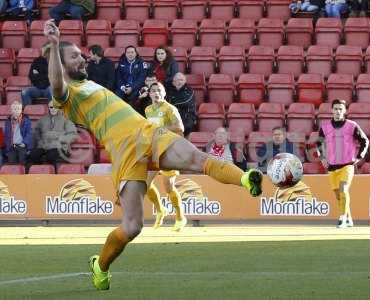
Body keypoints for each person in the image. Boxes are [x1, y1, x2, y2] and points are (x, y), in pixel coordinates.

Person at [44, 20, 263, 291]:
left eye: (80, 53)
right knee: (133, 226)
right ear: (62, 63)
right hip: (126, 151)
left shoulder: (90, 84)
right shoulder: (67, 95)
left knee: (197, 159)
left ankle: (246, 179)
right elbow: (55, 84)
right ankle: (100, 266)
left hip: (149, 132)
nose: (83, 57)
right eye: (75, 55)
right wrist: (54, 45)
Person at [317, 99, 369, 228]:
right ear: (331, 110)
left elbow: (364, 141)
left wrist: (359, 156)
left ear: (345, 111)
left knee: (343, 190)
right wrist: (322, 158)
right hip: (332, 166)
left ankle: (342, 219)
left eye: (340, 109)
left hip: (347, 165)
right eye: (335, 109)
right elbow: (318, 143)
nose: (338, 111)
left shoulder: (352, 125)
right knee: (338, 196)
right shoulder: (325, 127)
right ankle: (349, 218)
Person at [145, 82, 187, 231]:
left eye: (159, 90)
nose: (156, 93)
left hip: (169, 151)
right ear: (149, 94)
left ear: (164, 93)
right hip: (154, 151)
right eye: (153, 91)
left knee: (168, 187)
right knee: (146, 184)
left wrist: (160, 128)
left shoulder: (170, 109)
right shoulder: (148, 110)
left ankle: (180, 217)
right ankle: (160, 210)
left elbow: (180, 127)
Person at [30, 100, 77, 166]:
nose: (53, 109)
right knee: (33, 155)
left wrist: (61, 138)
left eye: (55, 107)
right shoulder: (43, 119)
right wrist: (40, 140)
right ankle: (38, 173)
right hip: (44, 146)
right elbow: (37, 131)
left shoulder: (65, 120)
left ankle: (52, 173)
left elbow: (73, 135)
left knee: (52, 155)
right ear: (48, 108)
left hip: (59, 147)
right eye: (51, 107)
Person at [22, 43, 52, 107]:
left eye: (46, 50)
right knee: (24, 92)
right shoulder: (36, 61)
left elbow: (53, 77)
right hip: (37, 87)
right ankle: (29, 113)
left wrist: (38, 75)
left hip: (49, 88)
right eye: (43, 50)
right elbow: (31, 75)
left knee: (52, 92)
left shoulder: (54, 61)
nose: (43, 52)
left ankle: (54, 114)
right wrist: (46, 76)